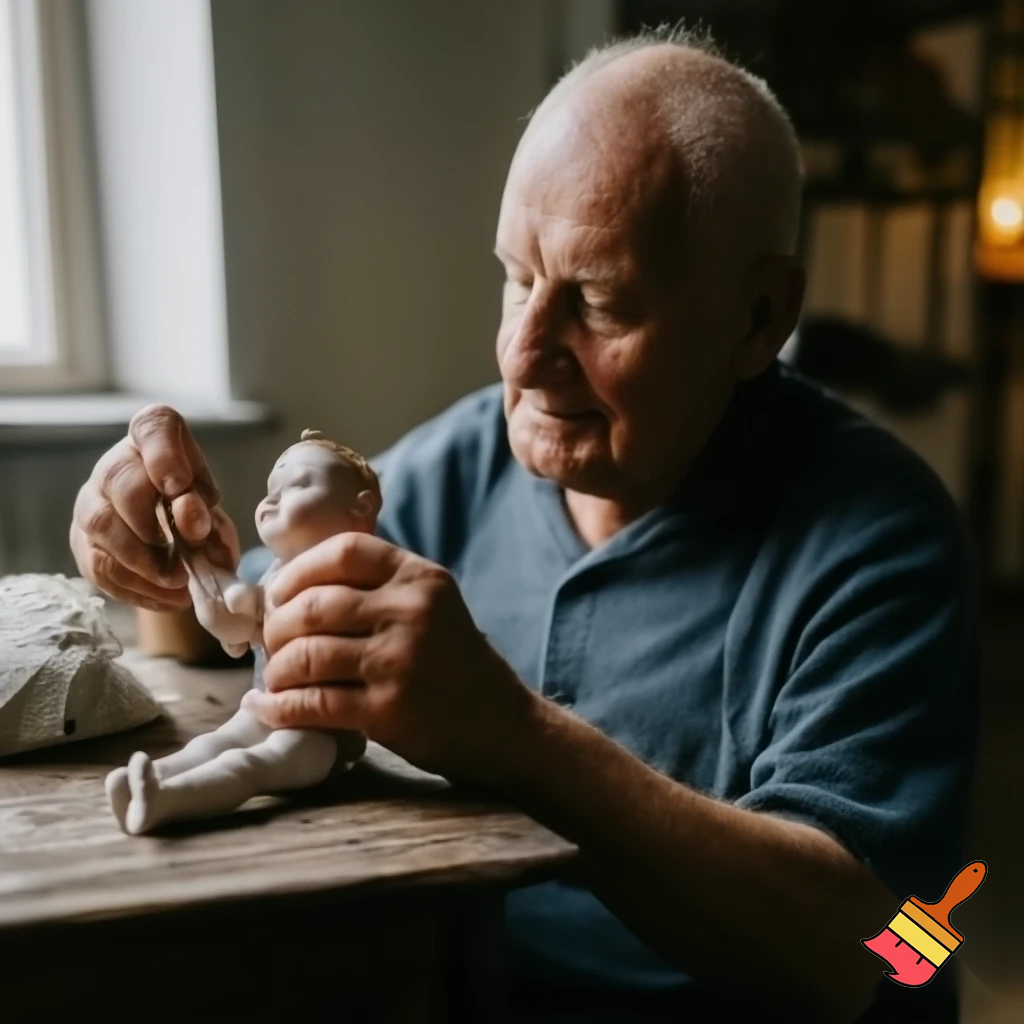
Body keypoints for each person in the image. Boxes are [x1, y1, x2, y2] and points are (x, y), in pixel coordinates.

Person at [69, 26, 979, 1023]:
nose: (524, 351)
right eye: (515, 276)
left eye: (597, 302)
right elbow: (235, 631)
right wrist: (159, 552)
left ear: (757, 317)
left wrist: (511, 735)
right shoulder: (458, 464)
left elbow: (876, 949)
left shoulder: (880, 538)